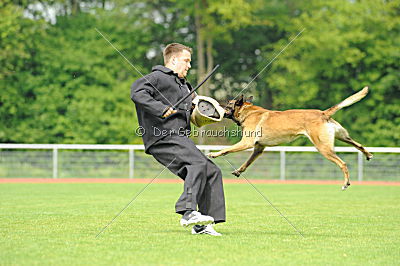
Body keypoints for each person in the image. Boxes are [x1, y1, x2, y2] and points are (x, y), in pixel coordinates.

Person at [130, 43, 226, 236]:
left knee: (211, 171)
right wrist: (161, 109)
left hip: (180, 138)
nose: (189, 65)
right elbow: (136, 91)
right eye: (186, 61)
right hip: (162, 136)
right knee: (198, 162)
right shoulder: (159, 77)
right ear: (173, 60)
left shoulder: (185, 86)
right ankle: (188, 212)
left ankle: (202, 225)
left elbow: (197, 109)